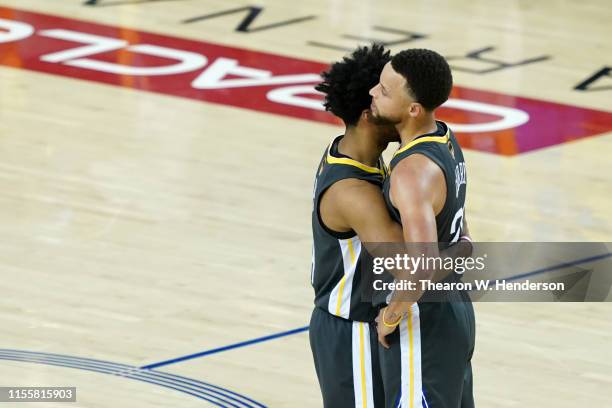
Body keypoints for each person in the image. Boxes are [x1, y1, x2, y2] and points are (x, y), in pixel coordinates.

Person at [369, 48, 476, 408]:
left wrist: (391, 313)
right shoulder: (445, 138)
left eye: (384, 91)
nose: (373, 92)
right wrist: (461, 248)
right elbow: (457, 222)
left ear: (413, 109)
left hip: (422, 318)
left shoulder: (411, 171)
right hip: (454, 308)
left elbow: (423, 264)